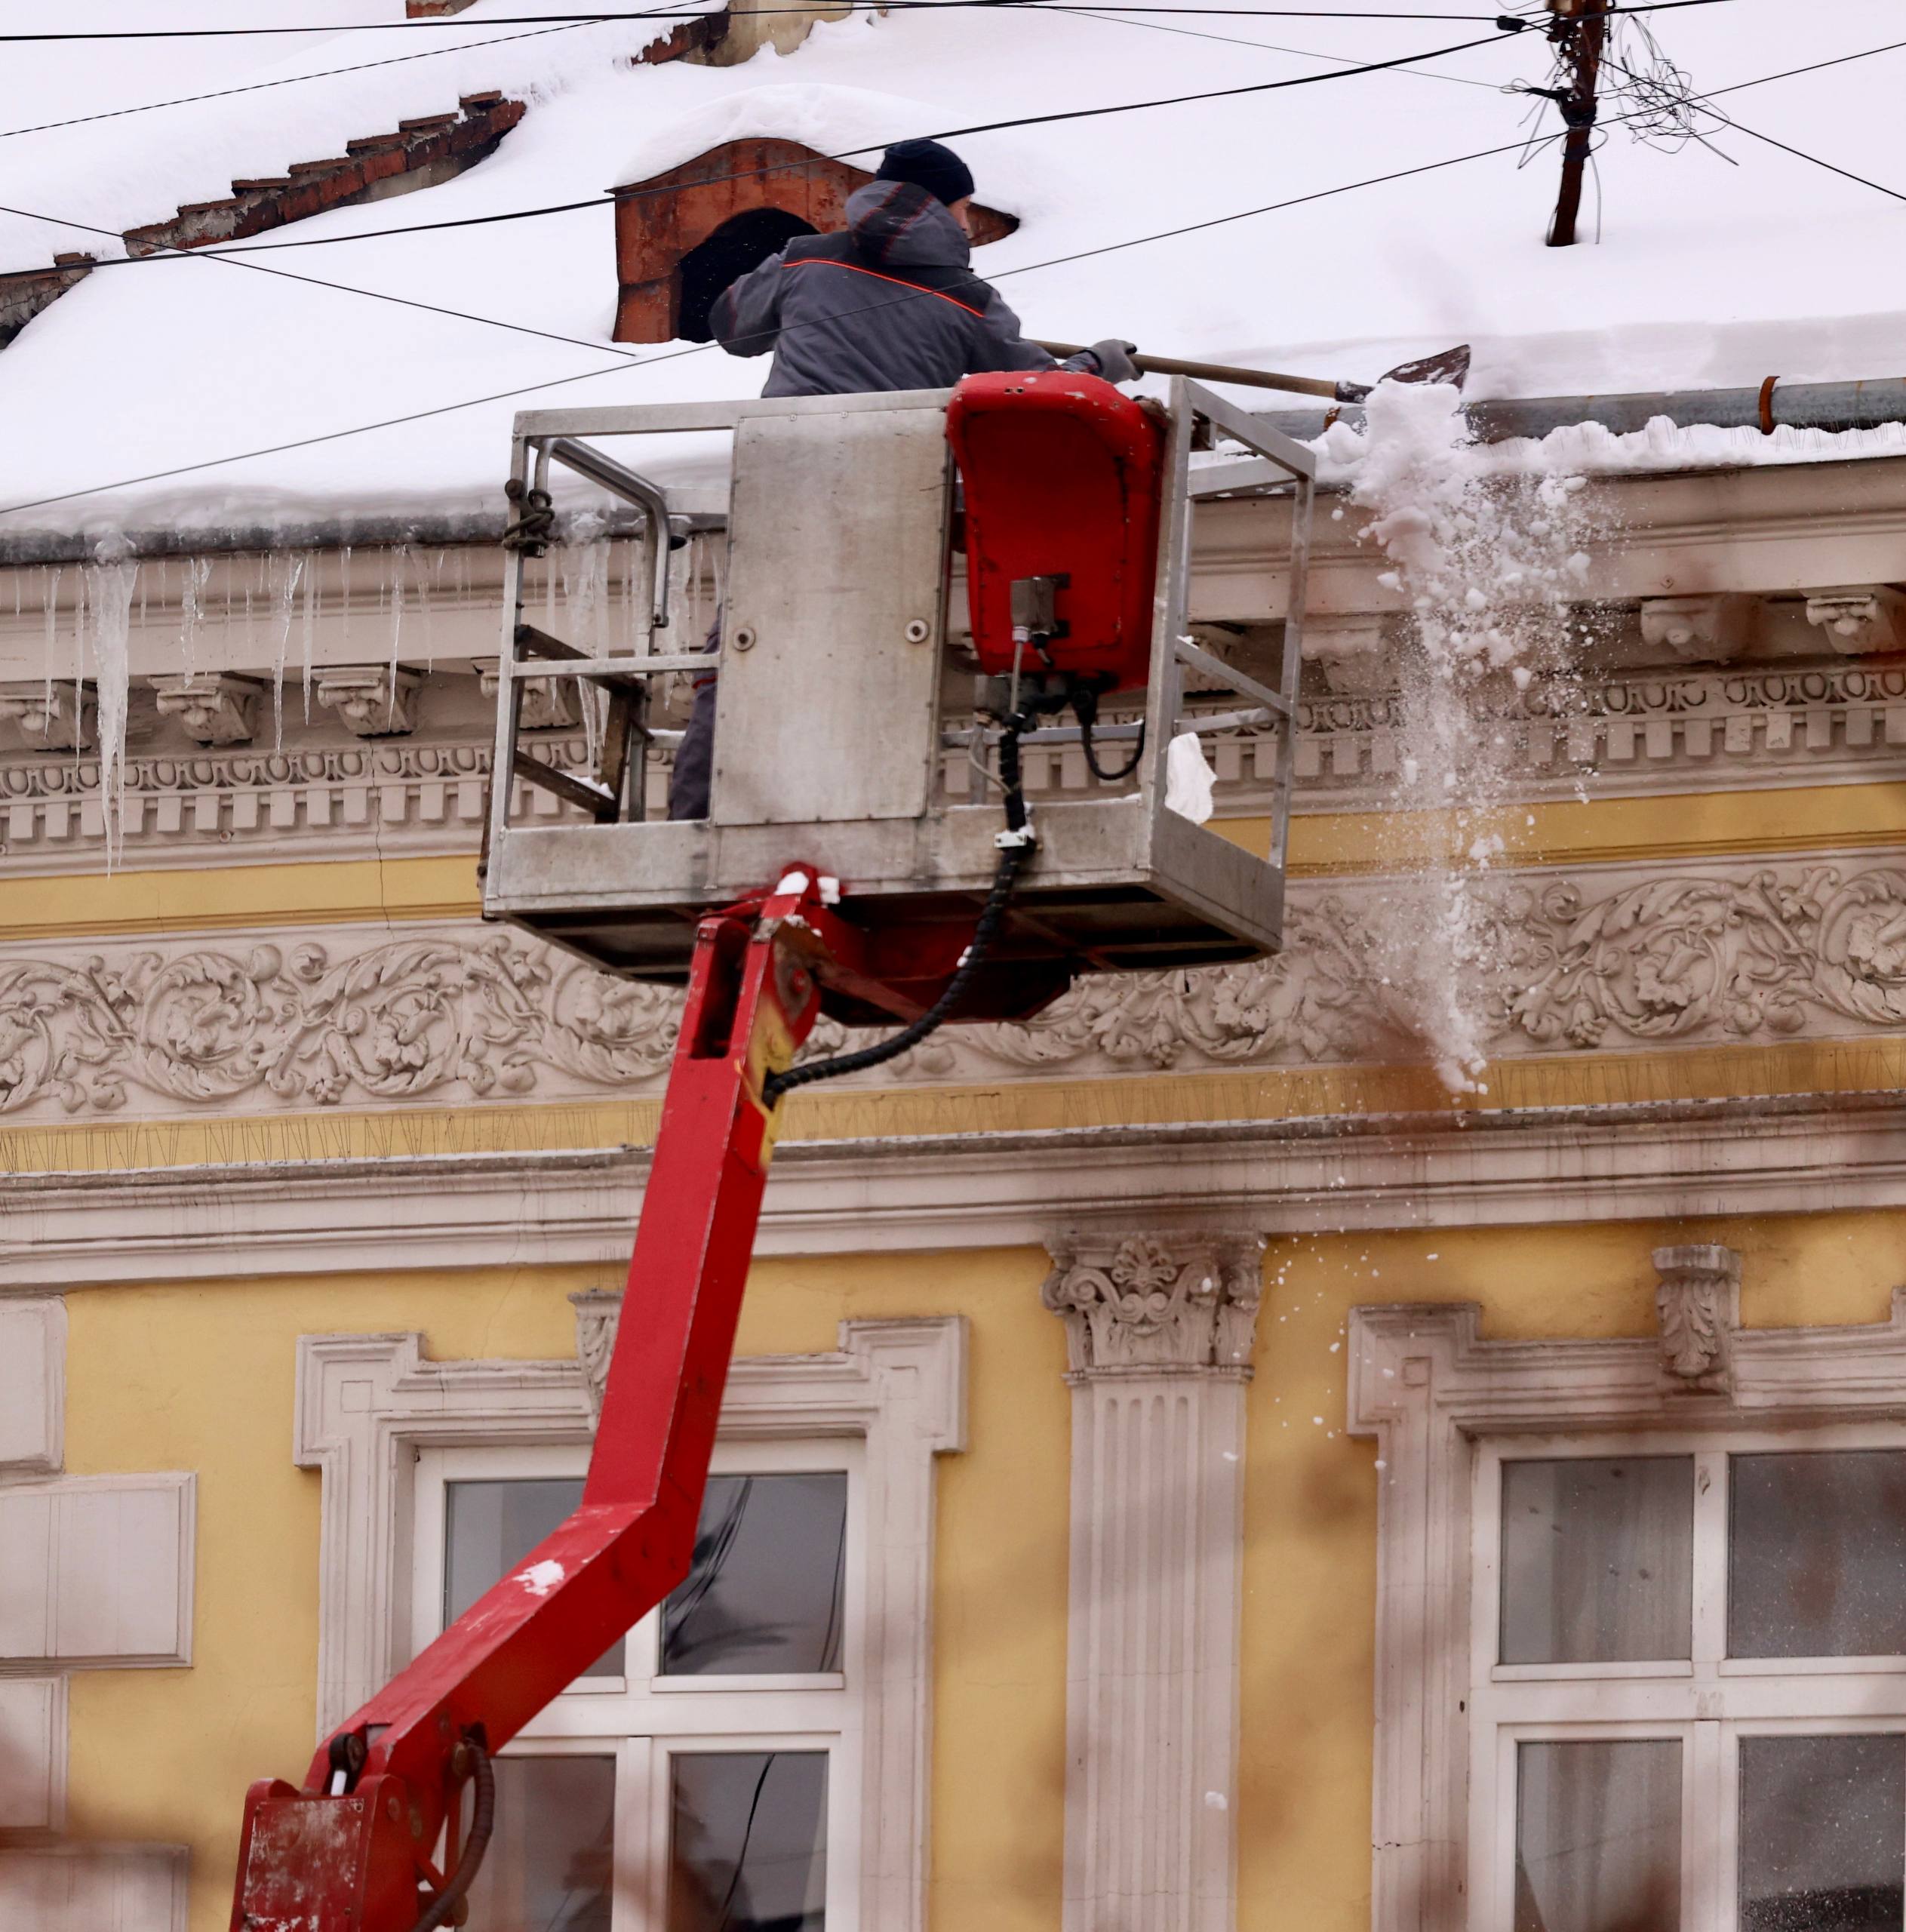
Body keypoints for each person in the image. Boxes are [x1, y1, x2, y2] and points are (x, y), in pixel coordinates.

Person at [667, 138, 1138, 819]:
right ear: (947, 209)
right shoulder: (973, 302)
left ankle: (696, 816)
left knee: (741, 652)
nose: (970, 224)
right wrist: (1102, 363)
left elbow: (732, 328)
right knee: (868, 659)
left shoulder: (809, 257)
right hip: (890, 504)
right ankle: (853, 812)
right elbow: (1035, 392)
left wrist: (778, 276)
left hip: (784, 480)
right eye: (965, 209)